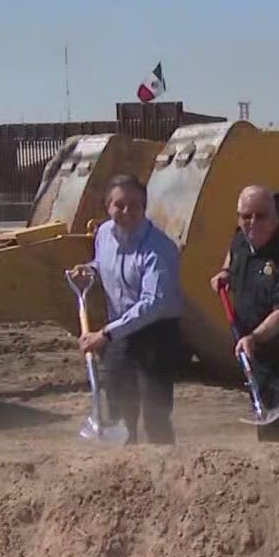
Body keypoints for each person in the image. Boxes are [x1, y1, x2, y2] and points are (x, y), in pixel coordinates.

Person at [67, 173, 184, 445]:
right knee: (118, 408)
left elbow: (152, 303)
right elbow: (102, 263)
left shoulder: (159, 249)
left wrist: (105, 335)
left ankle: (165, 467)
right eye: (119, 205)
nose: (127, 211)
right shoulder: (104, 234)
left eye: (135, 204)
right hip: (119, 332)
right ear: (108, 207)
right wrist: (90, 270)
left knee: (155, 413)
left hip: (156, 334)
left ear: (144, 207)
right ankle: (124, 466)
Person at [210, 185, 279, 441]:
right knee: (268, 430)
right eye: (245, 216)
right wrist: (226, 272)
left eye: (261, 215)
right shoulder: (241, 239)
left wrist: (255, 337)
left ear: (275, 217)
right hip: (259, 359)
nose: (252, 223)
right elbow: (233, 254)